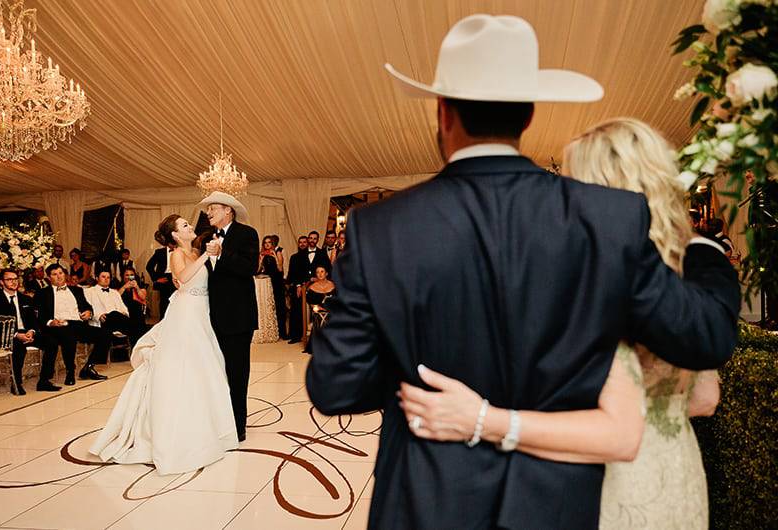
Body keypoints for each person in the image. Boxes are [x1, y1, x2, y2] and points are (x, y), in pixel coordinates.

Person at [305, 15, 740, 530]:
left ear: (443, 112)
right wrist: (705, 251)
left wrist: (412, 365)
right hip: (553, 507)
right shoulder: (609, 219)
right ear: (528, 115)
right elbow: (704, 338)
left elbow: (335, 386)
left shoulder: (380, 228)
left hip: (427, 502)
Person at [398, 118, 722, 529]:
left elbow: (619, 432)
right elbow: (704, 398)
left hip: (606, 492)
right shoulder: (688, 271)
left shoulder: (595, 274)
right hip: (678, 482)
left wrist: (485, 418)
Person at [90, 215, 238, 474]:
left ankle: (209, 427)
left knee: (206, 368)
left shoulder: (193, 250)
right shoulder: (177, 255)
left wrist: (210, 255)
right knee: (184, 367)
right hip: (186, 314)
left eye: (188, 224)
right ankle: (175, 431)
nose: (190, 227)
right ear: (174, 236)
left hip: (201, 312)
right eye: (184, 226)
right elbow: (182, 277)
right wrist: (205, 257)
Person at [199, 191, 259, 442]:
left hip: (237, 318)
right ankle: (217, 421)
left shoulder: (247, 234)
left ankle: (237, 426)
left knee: (236, 373)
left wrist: (223, 253)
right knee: (214, 374)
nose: (208, 212)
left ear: (228, 211)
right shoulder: (205, 238)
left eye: (213, 208)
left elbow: (249, 268)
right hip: (210, 318)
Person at [35, 264, 110, 391]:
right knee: (68, 335)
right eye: (54, 274)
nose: (58, 276)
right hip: (58, 326)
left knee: (105, 334)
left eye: (60, 273)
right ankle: (70, 371)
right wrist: (50, 322)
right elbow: (39, 316)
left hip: (78, 324)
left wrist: (88, 313)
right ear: (49, 278)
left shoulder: (77, 290)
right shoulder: (43, 293)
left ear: (65, 274)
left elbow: (87, 306)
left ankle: (88, 367)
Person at [0, 269, 40, 395]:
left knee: (50, 340)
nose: (14, 282)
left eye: (15, 279)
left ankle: (45, 380)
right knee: (18, 346)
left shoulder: (25, 299)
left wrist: (31, 331)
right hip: (3, 336)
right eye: (9, 279)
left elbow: (33, 321)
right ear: (1, 282)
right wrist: (16, 335)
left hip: (25, 332)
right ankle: (16, 383)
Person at [86, 271, 141, 357]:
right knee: (134, 325)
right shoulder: (89, 291)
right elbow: (87, 308)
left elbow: (123, 308)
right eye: (103, 277)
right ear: (97, 278)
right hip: (103, 321)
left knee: (129, 321)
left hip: (118, 320)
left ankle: (136, 354)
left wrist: (124, 314)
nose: (106, 279)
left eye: (108, 277)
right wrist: (98, 315)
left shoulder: (114, 292)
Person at [258, 235, 288, 339]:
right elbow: (257, 270)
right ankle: (273, 331)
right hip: (267, 283)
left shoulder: (278, 251)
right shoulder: (262, 254)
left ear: (272, 243)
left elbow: (280, 269)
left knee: (280, 306)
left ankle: (283, 333)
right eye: (265, 242)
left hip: (277, 281)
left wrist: (274, 256)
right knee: (270, 307)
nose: (267, 244)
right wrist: (261, 259)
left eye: (269, 242)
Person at [302, 265, 336, 355]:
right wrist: (317, 307)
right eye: (317, 272)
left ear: (326, 273)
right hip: (318, 311)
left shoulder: (333, 286)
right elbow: (312, 304)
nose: (320, 274)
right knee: (320, 316)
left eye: (322, 271)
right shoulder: (312, 288)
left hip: (333, 310)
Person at [286, 236, 310, 343]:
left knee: (308, 313)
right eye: (300, 242)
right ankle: (295, 336)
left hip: (312, 287)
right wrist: (297, 285)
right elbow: (292, 273)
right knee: (295, 311)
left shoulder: (312, 256)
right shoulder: (294, 257)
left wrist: (304, 284)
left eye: (304, 242)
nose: (302, 244)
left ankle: (308, 335)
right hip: (297, 288)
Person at [119, 266, 148, 348]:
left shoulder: (139, 285)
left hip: (137, 314)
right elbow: (115, 297)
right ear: (123, 276)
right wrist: (124, 287)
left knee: (138, 317)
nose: (129, 277)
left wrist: (137, 287)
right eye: (127, 275)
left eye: (131, 275)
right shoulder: (119, 285)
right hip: (124, 313)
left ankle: (139, 346)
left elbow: (143, 297)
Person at [146, 243, 176, 320]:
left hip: (177, 278)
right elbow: (149, 266)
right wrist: (156, 279)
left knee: (176, 302)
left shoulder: (180, 251)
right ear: (168, 243)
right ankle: (162, 322)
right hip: (165, 279)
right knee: (164, 302)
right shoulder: (159, 252)